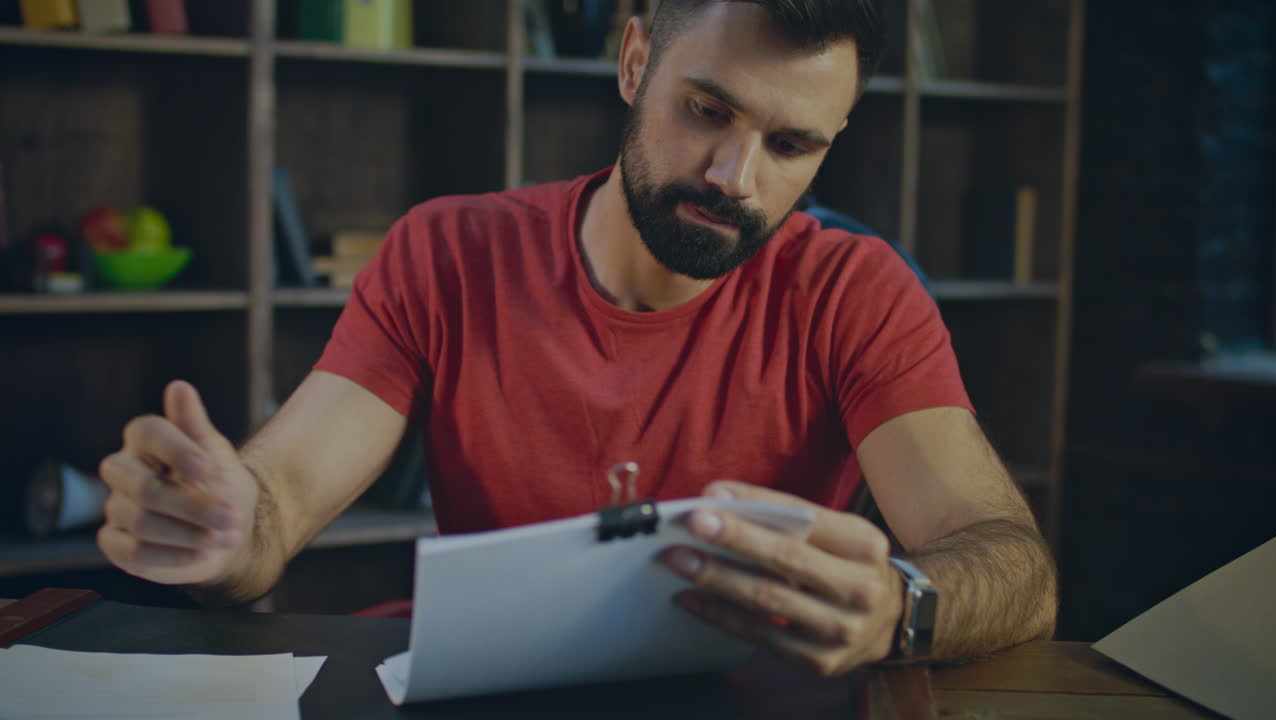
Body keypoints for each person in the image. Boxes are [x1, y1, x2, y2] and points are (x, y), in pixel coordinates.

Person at [96, 0, 1056, 676]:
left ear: (832, 140)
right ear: (636, 62)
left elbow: (1011, 562)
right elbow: (278, 504)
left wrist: (900, 605)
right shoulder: (448, 253)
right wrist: (227, 532)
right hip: (480, 696)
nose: (735, 175)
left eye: (791, 145)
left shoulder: (857, 292)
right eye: (707, 111)